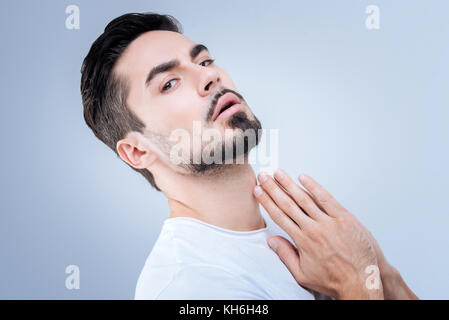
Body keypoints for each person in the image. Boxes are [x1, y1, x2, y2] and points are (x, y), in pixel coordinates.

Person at [80, 12, 416, 300]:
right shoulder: (187, 286)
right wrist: (353, 281)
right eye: (169, 83)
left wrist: (380, 272)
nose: (210, 76)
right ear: (138, 150)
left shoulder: (302, 232)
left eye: (204, 61)